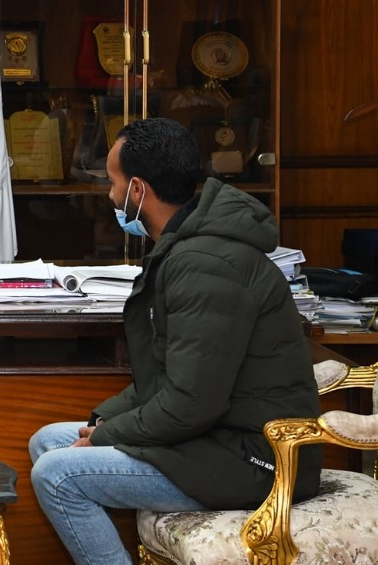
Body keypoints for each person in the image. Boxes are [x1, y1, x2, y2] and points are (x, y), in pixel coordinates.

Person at [28, 117, 321, 565]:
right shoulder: (187, 247)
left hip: (258, 460)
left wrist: (109, 435)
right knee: (49, 441)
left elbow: (190, 404)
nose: (110, 196)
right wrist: (105, 420)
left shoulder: (206, 264)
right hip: (214, 439)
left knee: (57, 474)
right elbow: (168, 377)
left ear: (138, 190)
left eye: (113, 183)